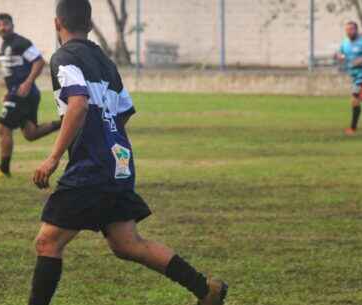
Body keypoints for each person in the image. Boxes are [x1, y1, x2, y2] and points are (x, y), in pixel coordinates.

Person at [24, 1, 229, 304]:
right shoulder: (106, 62)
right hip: (119, 162)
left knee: (47, 242)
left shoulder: (64, 57)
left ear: (58, 24)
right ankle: (206, 290)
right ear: (90, 25)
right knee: (127, 243)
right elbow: (123, 112)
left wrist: (53, 157)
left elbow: (78, 104)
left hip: (92, 168)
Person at [0, 13, 61, 180]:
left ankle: (3, 169)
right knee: (31, 134)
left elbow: (39, 61)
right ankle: (65, 123)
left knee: (3, 127)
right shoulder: (4, 45)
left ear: (12, 25)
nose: (2, 28)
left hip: (23, 93)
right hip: (19, 93)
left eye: (5, 24)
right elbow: (12, 71)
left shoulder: (21, 42)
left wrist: (27, 82)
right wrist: (8, 91)